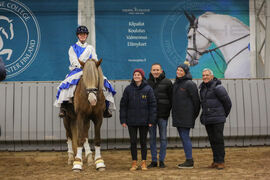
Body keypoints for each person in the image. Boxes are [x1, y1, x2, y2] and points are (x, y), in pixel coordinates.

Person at [54, 25, 116, 118]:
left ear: (86, 35)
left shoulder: (90, 48)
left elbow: (95, 58)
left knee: (105, 83)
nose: (82, 36)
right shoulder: (72, 48)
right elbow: (73, 60)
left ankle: (105, 108)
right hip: (78, 69)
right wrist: (82, 65)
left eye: (84, 34)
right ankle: (64, 106)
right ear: (78, 36)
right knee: (66, 83)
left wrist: (91, 66)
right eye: (81, 34)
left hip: (91, 70)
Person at [120, 68, 157, 171]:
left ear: (142, 76)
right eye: (135, 74)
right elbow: (123, 105)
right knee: (133, 142)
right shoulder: (128, 89)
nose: (136, 76)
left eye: (138, 75)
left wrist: (151, 120)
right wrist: (123, 120)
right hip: (131, 121)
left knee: (143, 142)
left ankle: (144, 162)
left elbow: (152, 105)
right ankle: (134, 162)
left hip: (144, 121)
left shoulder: (148, 89)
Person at [199, 68, 232, 170]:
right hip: (208, 119)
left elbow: (228, 103)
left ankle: (221, 161)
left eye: (207, 75)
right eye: (203, 75)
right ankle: (215, 161)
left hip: (218, 119)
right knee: (212, 141)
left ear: (212, 76)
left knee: (218, 140)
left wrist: (222, 115)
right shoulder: (202, 89)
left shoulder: (218, 87)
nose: (205, 77)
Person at [172, 63, 200, 169]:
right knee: (184, 138)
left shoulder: (189, 84)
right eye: (178, 70)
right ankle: (188, 159)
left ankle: (189, 160)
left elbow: (196, 102)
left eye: (181, 71)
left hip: (186, 117)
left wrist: (193, 116)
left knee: (185, 137)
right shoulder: (176, 84)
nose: (179, 72)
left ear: (186, 72)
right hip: (178, 116)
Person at [147, 63, 172, 168]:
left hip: (163, 116)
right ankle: (153, 160)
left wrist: (167, 111)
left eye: (157, 70)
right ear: (151, 71)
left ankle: (161, 160)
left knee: (163, 139)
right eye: (154, 70)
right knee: (152, 139)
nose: (156, 72)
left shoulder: (168, 82)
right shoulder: (146, 83)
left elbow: (171, 99)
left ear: (161, 71)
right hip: (151, 117)